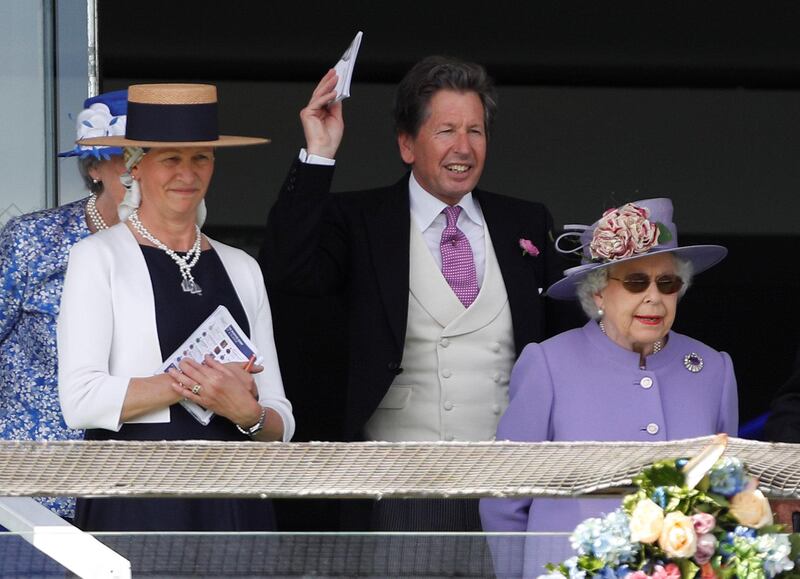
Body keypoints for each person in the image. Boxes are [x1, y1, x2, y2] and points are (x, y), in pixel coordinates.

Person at [260, 56, 576, 532]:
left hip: (510, 487)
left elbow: (564, 342)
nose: (464, 148)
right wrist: (319, 152)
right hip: (398, 486)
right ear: (407, 144)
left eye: (476, 131)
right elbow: (286, 272)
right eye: (446, 130)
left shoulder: (525, 222)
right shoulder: (362, 220)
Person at [57, 83, 294, 531]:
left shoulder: (242, 267)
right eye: (171, 158)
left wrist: (249, 415)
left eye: (200, 157)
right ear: (135, 167)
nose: (187, 173)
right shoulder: (97, 258)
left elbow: (280, 417)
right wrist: (194, 384)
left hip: (235, 500)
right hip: (136, 496)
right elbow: (81, 401)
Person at [479, 198, 738, 577]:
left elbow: (727, 495)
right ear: (598, 292)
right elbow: (504, 502)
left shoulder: (712, 369)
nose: (654, 297)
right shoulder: (549, 364)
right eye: (636, 281)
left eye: (666, 283)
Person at [0, 90, 128, 520]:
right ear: (93, 167)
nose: (142, 170)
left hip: (133, 488)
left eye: (158, 157)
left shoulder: (183, 253)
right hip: (30, 493)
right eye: (127, 156)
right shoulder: (33, 240)